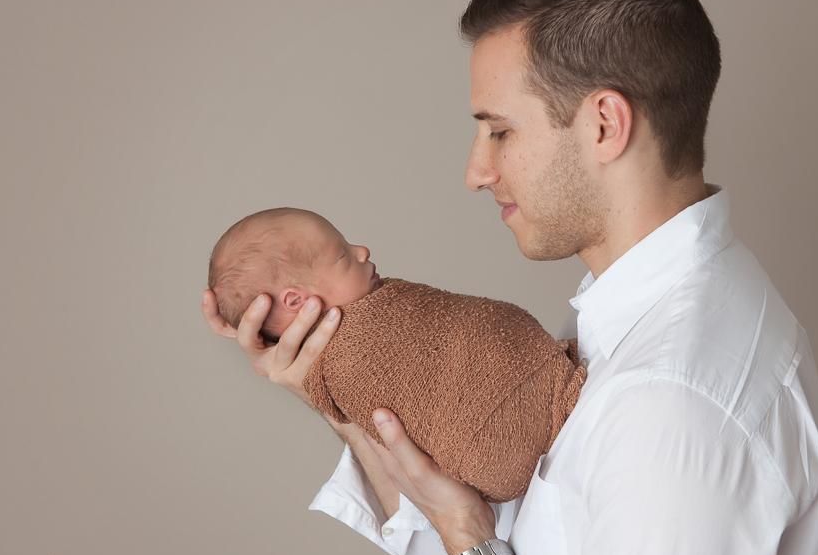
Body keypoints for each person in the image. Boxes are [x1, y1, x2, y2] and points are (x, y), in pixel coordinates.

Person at [202, 0, 818, 555]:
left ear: (605, 125)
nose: (476, 171)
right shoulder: (648, 318)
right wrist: (331, 383)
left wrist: (467, 539)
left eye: (499, 131)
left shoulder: (671, 401)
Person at [207, 206, 584, 502]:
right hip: (509, 437)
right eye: (342, 255)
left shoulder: (387, 315)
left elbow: (454, 338)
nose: (362, 251)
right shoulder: (343, 365)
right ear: (296, 300)